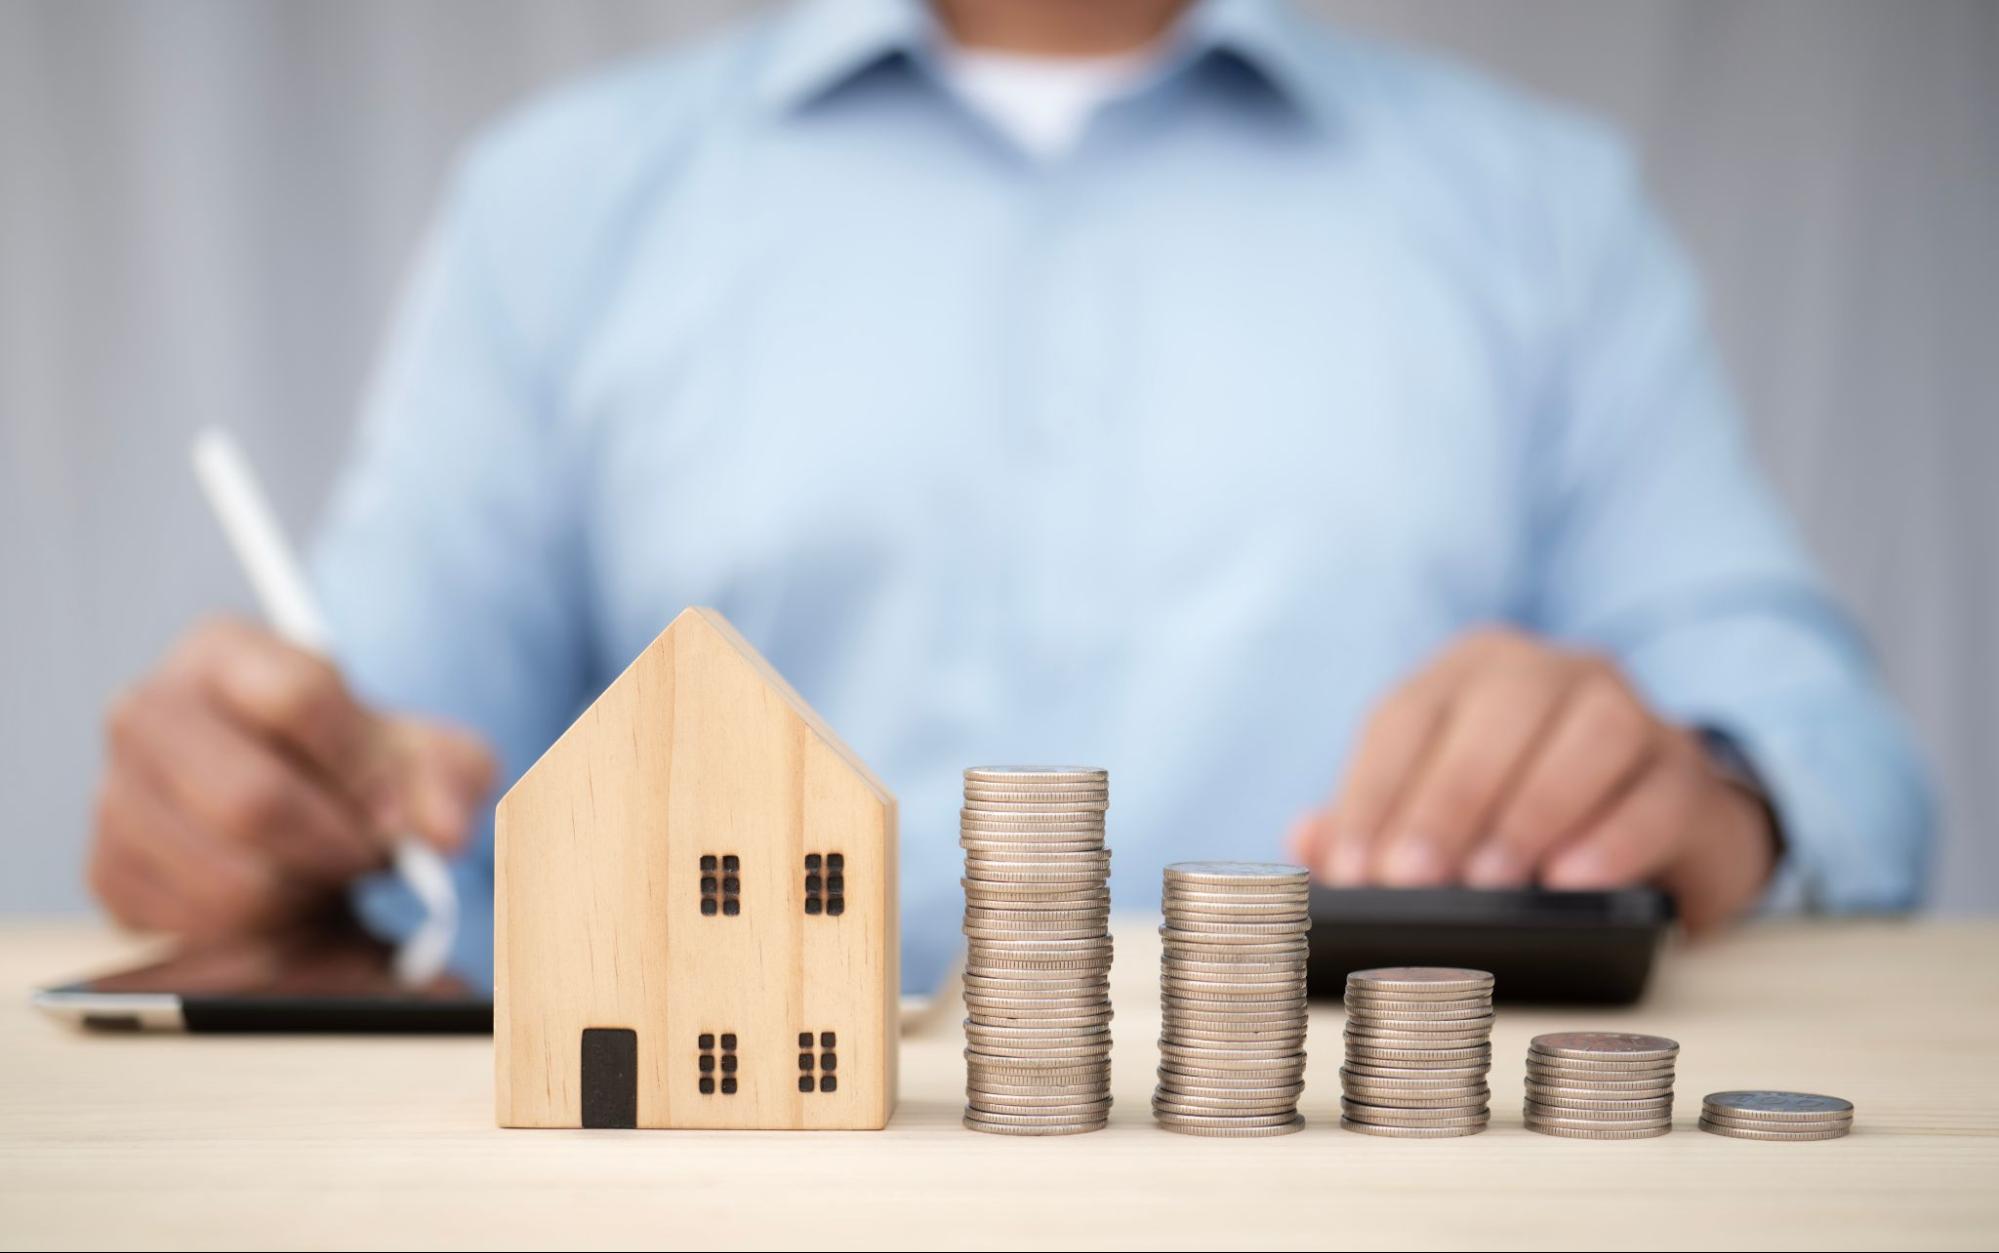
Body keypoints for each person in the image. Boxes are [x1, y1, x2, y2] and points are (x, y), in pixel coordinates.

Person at [88, 0, 1932, 991]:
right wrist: (276, 804)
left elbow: (1824, 741)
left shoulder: (1542, 209)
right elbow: (390, 765)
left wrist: (1710, 781)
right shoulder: (558, 206)